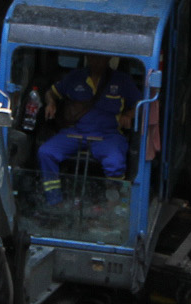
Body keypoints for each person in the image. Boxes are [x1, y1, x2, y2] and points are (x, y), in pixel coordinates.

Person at [37, 56, 141, 203]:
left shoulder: (122, 80)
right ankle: (54, 200)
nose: (96, 61)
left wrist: (128, 115)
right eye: (93, 57)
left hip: (108, 135)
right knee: (46, 152)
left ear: (108, 59)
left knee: (115, 162)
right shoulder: (75, 76)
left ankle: (113, 203)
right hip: (75, 132)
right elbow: (51, 93)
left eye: (100, 58)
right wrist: (51, 103)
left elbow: (140, 104)